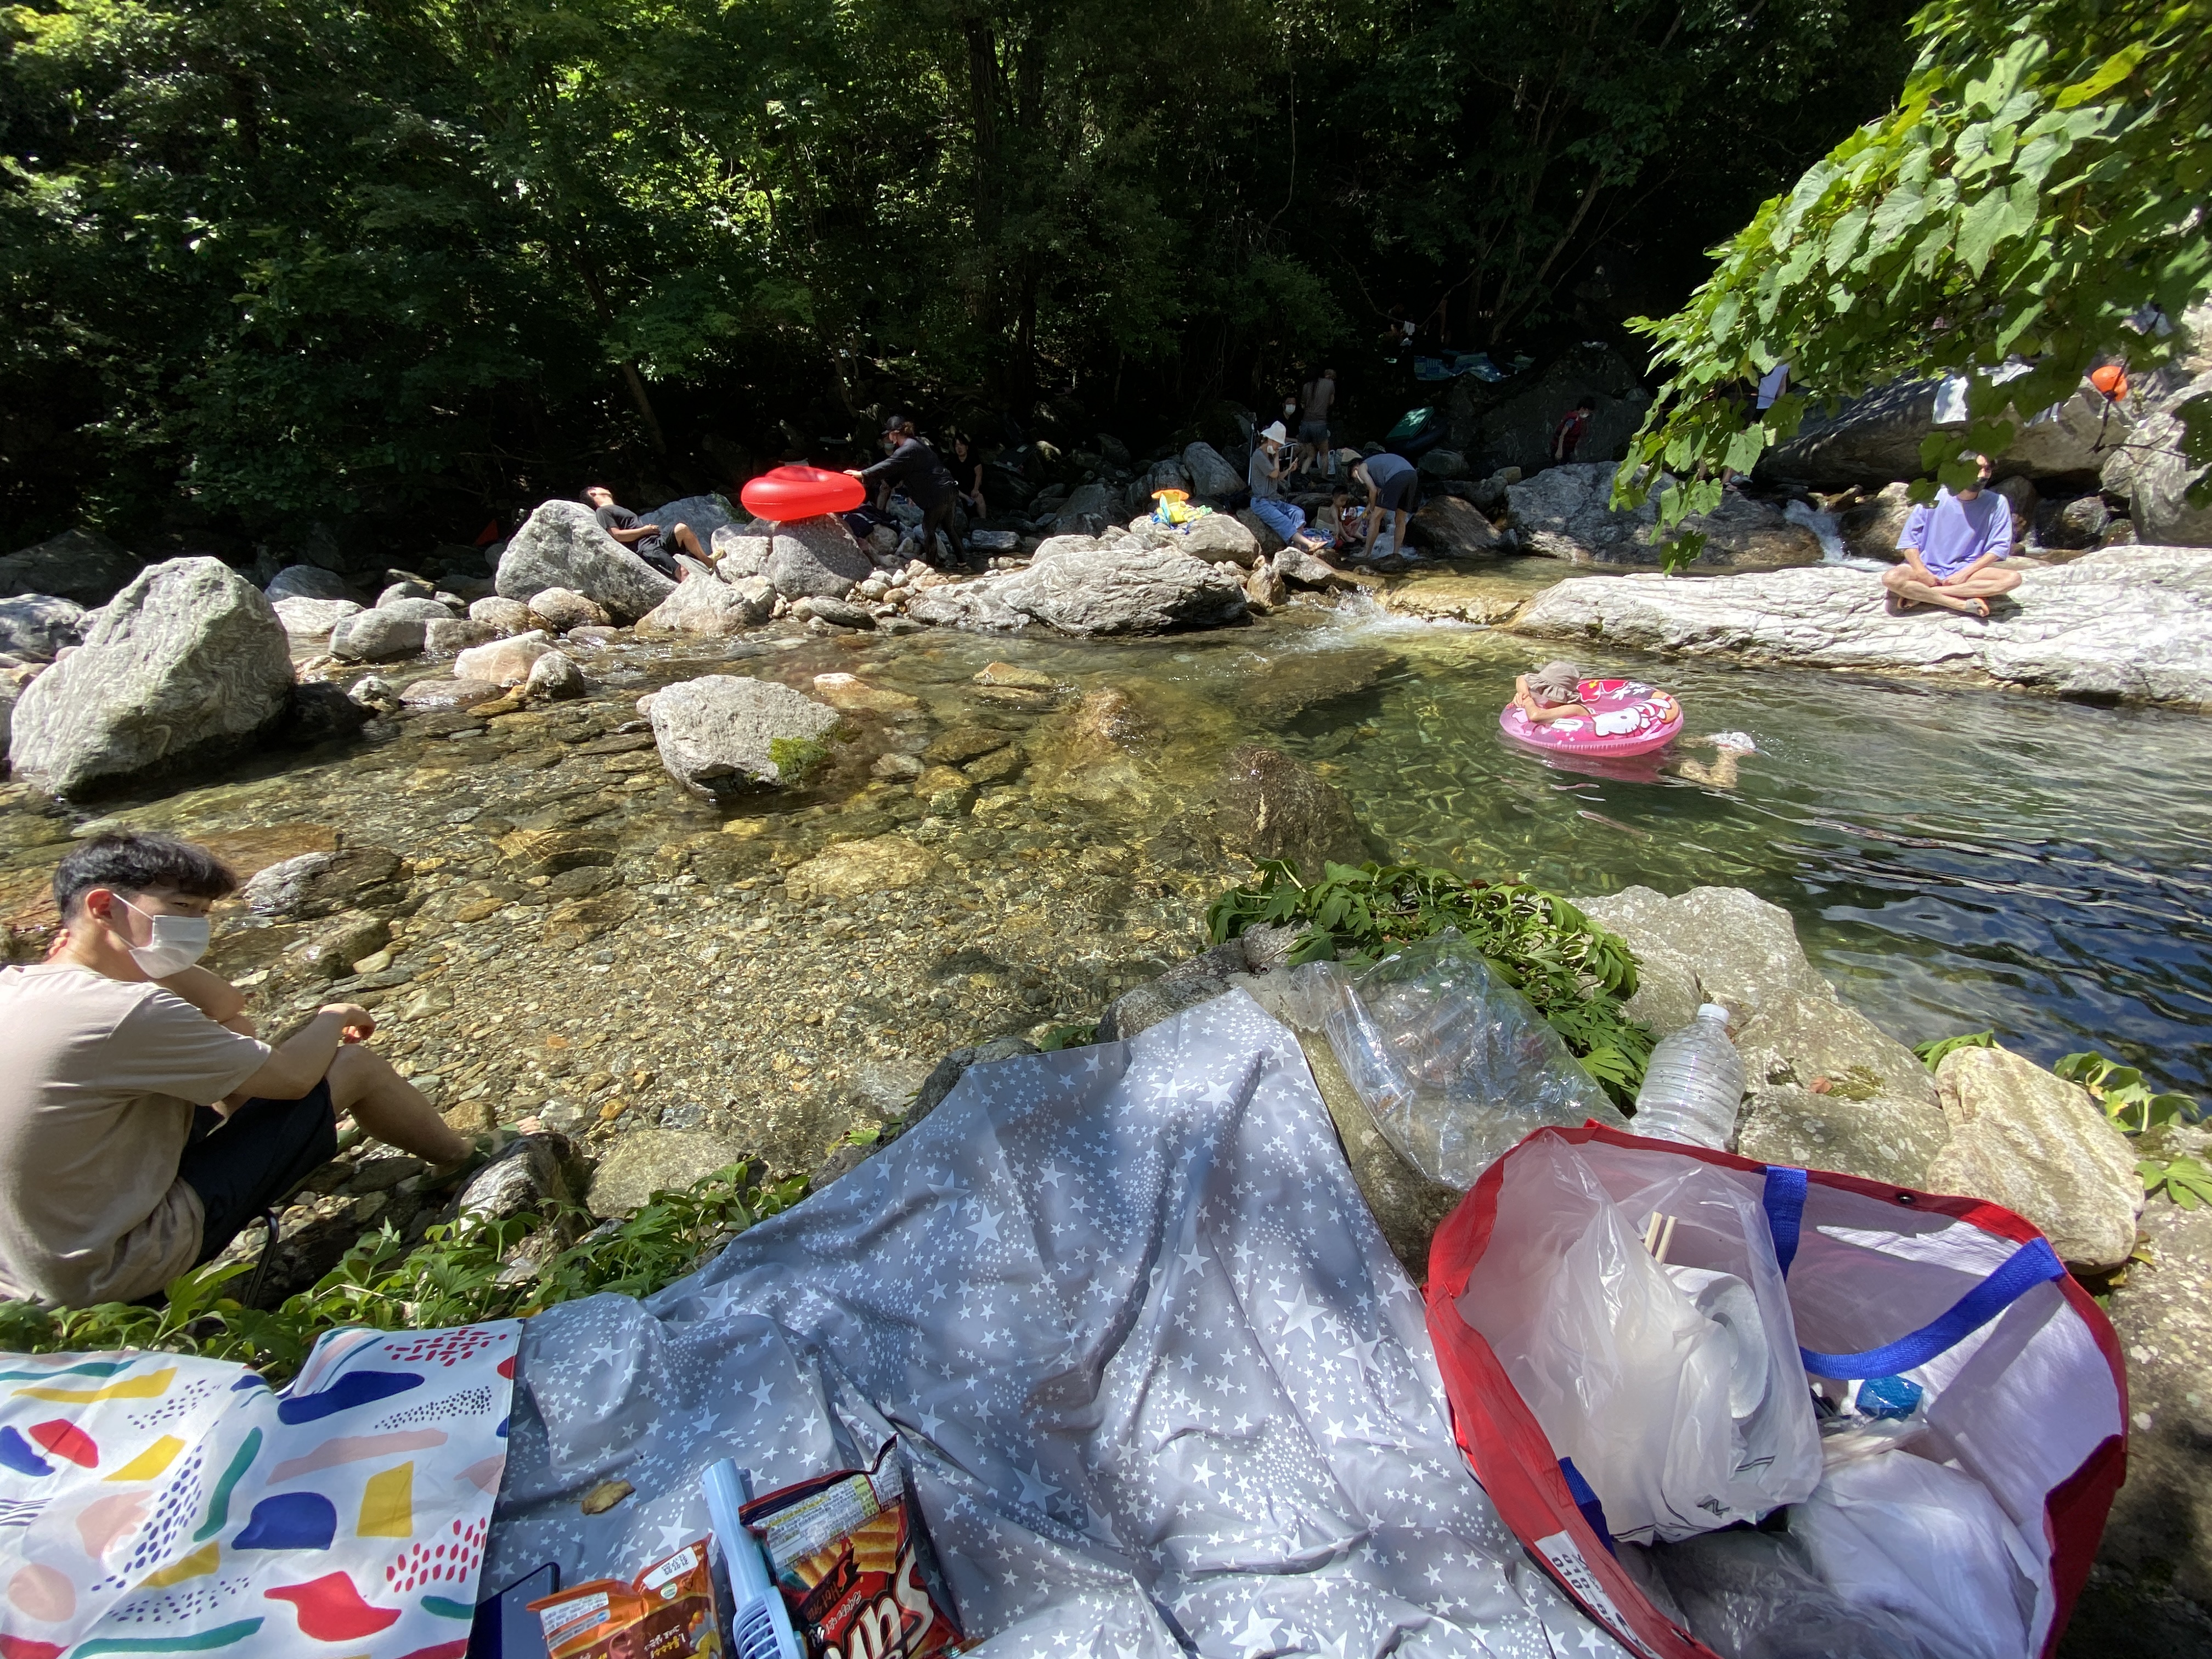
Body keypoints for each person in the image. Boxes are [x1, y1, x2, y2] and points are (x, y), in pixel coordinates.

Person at [0, 833, 476, 1308]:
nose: (195, 926)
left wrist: (132, 955)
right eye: (181, 907)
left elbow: (226, 1007)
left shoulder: (16, 986)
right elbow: (293, 1079)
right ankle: (462, 1158)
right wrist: (333, 1016)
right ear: (104, 906)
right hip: (109, 1269)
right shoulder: (129, 1010)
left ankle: (294, 1141)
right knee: (353, 1065)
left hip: (24, 1272)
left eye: (203, 913)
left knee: (229, 1054)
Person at [1882, 454, 2023, 617]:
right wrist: (1922, 572)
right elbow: (1909, 541)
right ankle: (1958, 604)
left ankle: (1924, 595)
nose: (1983, 475)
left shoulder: (1998, 502)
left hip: (1967, 570)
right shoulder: (1934, 497)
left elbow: (1999, 547)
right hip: (1926, 567)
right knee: (1891, 579)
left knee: (2013, 579)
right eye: (1977, 469)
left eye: (1987, 469)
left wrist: (1965, 574)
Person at [846, 415, 969, 571]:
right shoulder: (915, 445)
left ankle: (931, 568)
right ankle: (962, 563)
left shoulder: (908, 448)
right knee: (948, 527)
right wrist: (888, 485)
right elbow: (902, 472)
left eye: (889, 435)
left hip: (939, 492)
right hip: (949, 489)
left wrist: (863, 474)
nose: (888, 438)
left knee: (928, 528)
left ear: (895, 433)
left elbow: (889, 465)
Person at [582, 486, 704, 580]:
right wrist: (644, 530)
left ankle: (708, 562)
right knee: (683, 572)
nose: (604, 487)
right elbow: (617, 535)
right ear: (592, 492)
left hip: (656, 540)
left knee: (681, 529)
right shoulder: (602, 511)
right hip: (646, 547)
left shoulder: (618, 509)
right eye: (598, 487)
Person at [1245, 423, 1329, 551]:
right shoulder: (1259, 455)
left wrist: (1289, 470)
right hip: (1261, 502)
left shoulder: (1269, 456)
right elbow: (1274, 474)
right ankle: (1310, 544)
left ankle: (1297, 547)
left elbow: (1277, 477)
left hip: (1274, 501)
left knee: (1298, 512)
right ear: (1271, 440)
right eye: (1278, 444)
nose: (1279, 447)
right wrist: (1277, 457)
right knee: (1284, 520)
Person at [1351, 450, 1420, 559]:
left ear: (1355, 468)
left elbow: (1373, 491)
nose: (1358, 480)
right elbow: (1376, 499)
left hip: (1396, 477)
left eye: (1355, 478)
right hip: (1412, 475)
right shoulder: (1379, 470)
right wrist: (1360, 519)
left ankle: (1366, 553)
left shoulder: (1362, 468)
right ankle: (1396, 554)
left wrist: (1372, 512)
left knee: (1375, 518)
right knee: (1400, 519)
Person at [1511, 660, 1592, 723]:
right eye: (1541, 689)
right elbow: (1521, 678)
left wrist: (1528, 701)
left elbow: (1535, 716)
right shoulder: (1555, 703)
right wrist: (1524, 694)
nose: (1540, 695)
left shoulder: (1576, 709)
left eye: (1545, 692)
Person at [1296, 369, 1338, 479]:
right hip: (1320, 423)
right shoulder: (1329, 384)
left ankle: (1302, 477)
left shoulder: (1306, 386)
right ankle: (1323, 479)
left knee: (1310, 456)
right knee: (1324, 454)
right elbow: (1331, 402)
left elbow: (1303, 405)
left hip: (1306, 423)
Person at [950, 434, 987, 521]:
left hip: (971, 488)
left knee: (979, 497)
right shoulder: (952, 461)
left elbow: (979, 475)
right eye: (957, 446)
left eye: (961, 445)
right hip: (959, 489)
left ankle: (983, 521)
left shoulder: (973, 459)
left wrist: (976, 489)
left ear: (966, 447)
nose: (959, 448)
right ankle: (967, 499)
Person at [1550, 397, 1597, 465]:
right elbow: (1563, 434)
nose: (1589, 414)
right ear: (1583, 409)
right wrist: (1559, 450)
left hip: (1568, 449)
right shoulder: (1572, 419)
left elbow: (1583, 434)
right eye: (1588, 412)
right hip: (1559, 447)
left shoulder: (1581, 420)